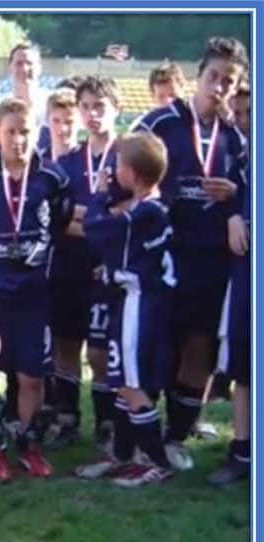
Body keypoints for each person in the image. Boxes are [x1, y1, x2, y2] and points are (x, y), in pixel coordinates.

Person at [133, 36, 247, 471]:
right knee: (156, 346)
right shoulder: (159, 123)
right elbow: (125, 172)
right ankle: (142, 435)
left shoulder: (235, 139)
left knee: (198, 346)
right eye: (213, 77)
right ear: (198, 76)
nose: (218, 87)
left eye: (228, 82)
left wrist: (235, 199)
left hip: (210, 260)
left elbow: (248, 196)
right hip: (163, 255)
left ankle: (176, 434)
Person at [0, 98, 72, 482]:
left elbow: (60, 220)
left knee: (31, 377)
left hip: (34, 292)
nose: (18, 140)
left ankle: (29, 444)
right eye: (10, 131)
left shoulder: (53, 179)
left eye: (25, 131)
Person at [77, 132, 176, 487]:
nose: (114, 170)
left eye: (118, 165)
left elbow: (94, 227)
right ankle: (122, 455)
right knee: (121, 383)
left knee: (132, 385)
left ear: (131, 174)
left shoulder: (145, 213)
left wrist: (101, 193)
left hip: (141, 304)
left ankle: (157, 461)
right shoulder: (145, 206)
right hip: (131, 302)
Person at [48, 76, 122, 451]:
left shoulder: (127, 158)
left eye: (100, 106)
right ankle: (67, 418)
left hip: (107, 270)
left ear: (116, 110)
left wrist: (89, 219)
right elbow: (60, 219)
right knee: (65, 343)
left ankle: (107, 420)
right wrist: (98, 217)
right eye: (86, 106)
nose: (92, 114)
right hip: (68, 266)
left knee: (98, 350)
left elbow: (126, 215)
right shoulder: (67, 163)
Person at [208, 82, 251, 485]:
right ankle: (241, 450)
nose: (244, 122)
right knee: (243, 367)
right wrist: (236, 214)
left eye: (249, 113)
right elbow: (237, 202)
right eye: (239, 114)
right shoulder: (245, 160)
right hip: (246, 276)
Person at [0, 43, 51, 157]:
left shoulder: (51, 104)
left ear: (39, 67)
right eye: (19, 64)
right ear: (10, 67)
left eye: (29, 63)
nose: (24, 69)